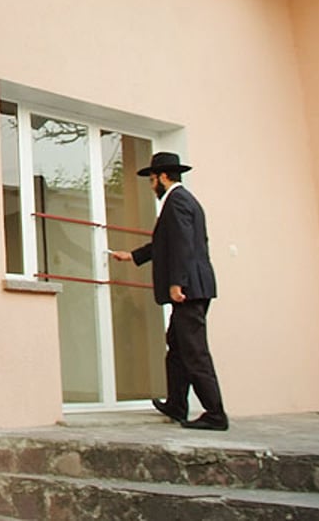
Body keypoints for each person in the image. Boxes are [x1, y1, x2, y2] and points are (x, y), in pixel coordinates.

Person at [109, 152, 227, 431]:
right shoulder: (181, 202)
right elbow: (167, 244)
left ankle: (215, 414)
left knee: (194, 351)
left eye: (152, 180)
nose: (151, 186)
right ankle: (176, 403)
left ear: (163, 177)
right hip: (194, 285)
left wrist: (177, 282)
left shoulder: (177, 202)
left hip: (190, 288)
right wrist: (132, 256)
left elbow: (183, 246)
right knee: (176, 344)